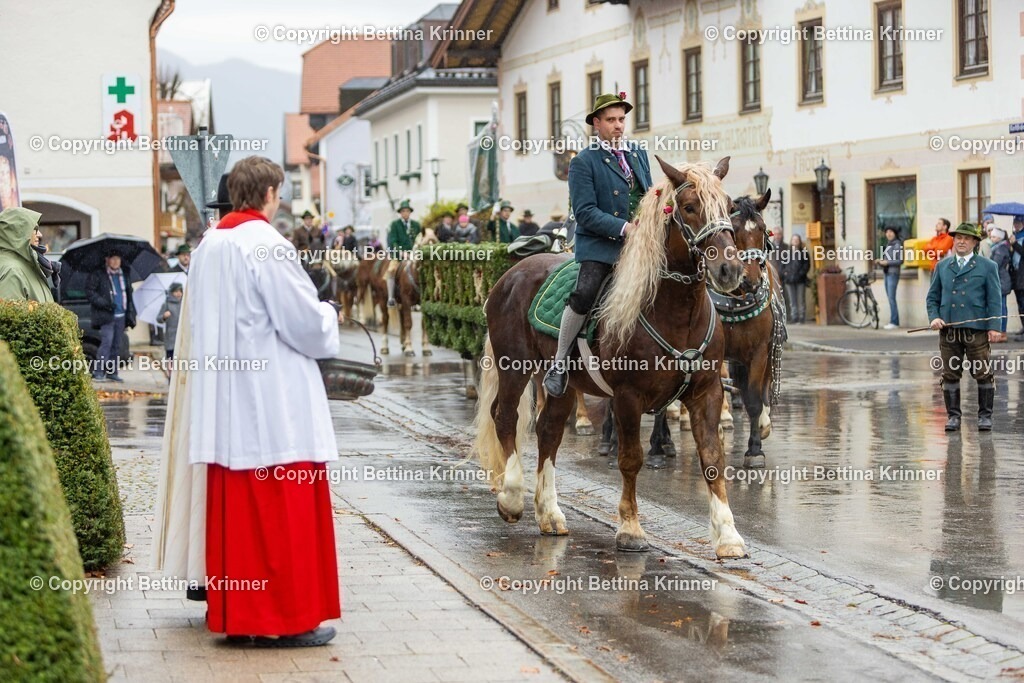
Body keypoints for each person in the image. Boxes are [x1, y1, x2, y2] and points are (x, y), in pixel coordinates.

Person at [183, 155, 343, 647]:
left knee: (240, 517)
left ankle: (241, 618)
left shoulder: (210, 244)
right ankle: (287, 619)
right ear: (270, 193)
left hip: (226, 401)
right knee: (283, 514)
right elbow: (303, 325)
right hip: (274, 403)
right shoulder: (268, 246)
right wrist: (329, 314)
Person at [543, 92, 652, 397]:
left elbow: (648, 195)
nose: (619, 126)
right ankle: (560, 362)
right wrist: (625, 227)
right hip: (601, 246)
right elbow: (585, 212)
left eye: (621, 119)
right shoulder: (583, 162)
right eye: (611, 120)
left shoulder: (638, 153)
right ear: (596, 124)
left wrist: (656, 215)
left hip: (641, 244)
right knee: (585, 291)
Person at [926, 222, 1001, 432]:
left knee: (982, 372)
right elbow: (932, 298)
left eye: (966, 238)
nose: (961, 241)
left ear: (975, 242)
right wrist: (934, 318)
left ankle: (985, 417)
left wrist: (994, 326)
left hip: (976, 328)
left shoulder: (988, 266)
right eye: (958, 237)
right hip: (948, 330)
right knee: (950, 374)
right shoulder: (942, 266)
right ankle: (953, 417)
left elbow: (995, 300)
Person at [87, 249, 136, 382]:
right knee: (106, 343)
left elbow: (128, 294)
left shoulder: (124, 274)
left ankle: (112, 372)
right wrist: (105, 303)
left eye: (118, 259)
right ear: (107, 260)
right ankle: (98, 372)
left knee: (116, 345)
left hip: (121, 315)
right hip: (106, 316)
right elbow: (90, 292)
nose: (115, 262)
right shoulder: (99, 274)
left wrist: (130, 313)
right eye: (113, 259)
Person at [0, 207, 55, 302]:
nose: (40, 235)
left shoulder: (28, 265)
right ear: (17, 233)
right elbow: (11, 315)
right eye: (35, 229)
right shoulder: (12, 271)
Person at [386, 199, 420, 306]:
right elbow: (393, 241)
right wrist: (401, 252)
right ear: (400, 213)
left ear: (410, 212)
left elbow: (419, 239)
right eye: (403, 211)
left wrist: (415, 252)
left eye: (407, 211)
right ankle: (391, 297)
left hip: (414, 255)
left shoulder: (416, 225)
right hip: (399, 255)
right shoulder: (395, 225)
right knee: (391, 270)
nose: (405, 213)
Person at [877, 226, 904, 329]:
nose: (888, 234)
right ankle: (893, 321)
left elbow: (899, 260)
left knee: (891, 298)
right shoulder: (889, 244)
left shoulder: (897, 244)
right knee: (890, 298)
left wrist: (887, 262)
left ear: (895, 233)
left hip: (893, 273)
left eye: (891, 232)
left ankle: (894, 322)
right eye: (887, 232)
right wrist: (881, 261)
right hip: (887, 272)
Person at [989, 227, 1012, 342]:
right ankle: (1000, 332)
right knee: (1000, 307)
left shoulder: (1000, 249)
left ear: (999, 237)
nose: (991, 238)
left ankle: (1002, 332)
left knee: (1001, 308)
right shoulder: (999, 247)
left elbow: (995, 265)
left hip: (1001, 281)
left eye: (993, 236)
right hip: (1001, 280)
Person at [781, 234, 810, 324]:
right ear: (791, 241)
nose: (795, 241)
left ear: (800, 241)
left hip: (800, 279)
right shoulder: (786, 252)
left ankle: (802, 317)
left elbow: (806, 265)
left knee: (801, 299)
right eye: (794, 239)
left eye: (797, 239)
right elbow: (782, 265)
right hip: (789, 280)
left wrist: (801, 273)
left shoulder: (804, 252)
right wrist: (785, 273)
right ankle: (794, 317)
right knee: (792, 300)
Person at [159, 282, 184, 360]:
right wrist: (164, 316)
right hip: (171, 337)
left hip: (182, 335)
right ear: (172, 292)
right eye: (176, 291)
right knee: (171, 358)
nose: (178, 294)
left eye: (180, 291)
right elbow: (159, 318)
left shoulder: (184, 304)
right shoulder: (167, 304)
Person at [1010, 215, 1024, 340]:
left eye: (1019, 222)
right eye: (1015, 222)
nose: (1016, 225)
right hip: (1016, 275)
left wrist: (1014, 244)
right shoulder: (1014, 236)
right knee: (1020, 303)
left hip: (1022, 274)